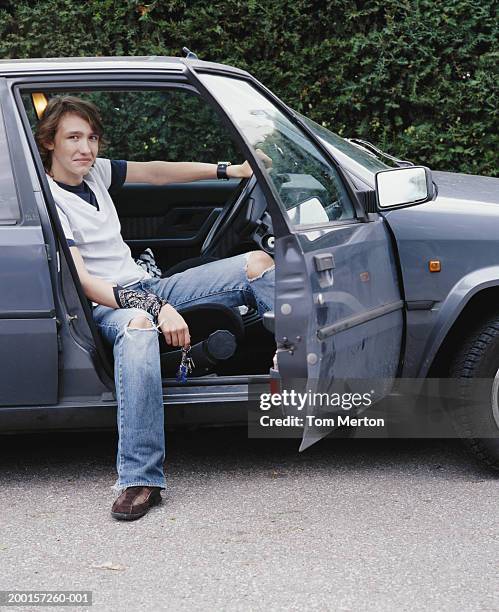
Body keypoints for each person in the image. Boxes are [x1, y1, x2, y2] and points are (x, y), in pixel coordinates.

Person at [35, 96, 275, 521]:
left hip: (148, 284)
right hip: (108, 304)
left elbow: (156, 172)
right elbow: (86, 284)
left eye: (91, 138)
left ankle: (288, 362)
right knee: (140, 326)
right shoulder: (50, 199)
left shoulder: (95, 175)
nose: (85, 148)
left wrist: (229, 171)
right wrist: (154, 305)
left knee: (257, 262)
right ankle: (140, 478)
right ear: (49, 142)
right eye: (73, 137)